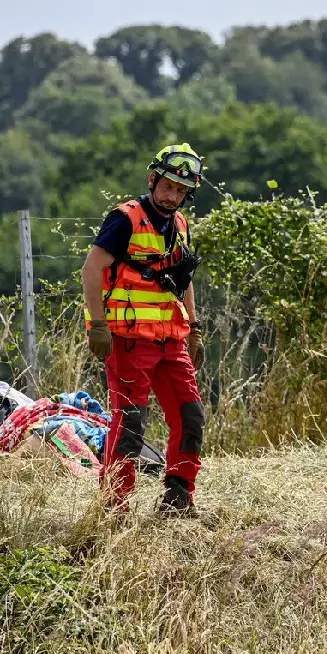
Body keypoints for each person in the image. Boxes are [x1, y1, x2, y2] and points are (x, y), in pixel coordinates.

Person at [80, 143, 207, 516]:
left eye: (182, 191)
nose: (173, 197)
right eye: (168, 186)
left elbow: (184, 278)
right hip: (129, 340)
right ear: (153, 179)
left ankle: (179, 498)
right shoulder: (125, 219)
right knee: (131, 421)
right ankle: (114, 506)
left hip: (172, 338)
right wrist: (97, 325)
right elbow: (91, 270)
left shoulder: (179, 224)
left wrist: (195, 328)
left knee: (191, 415)